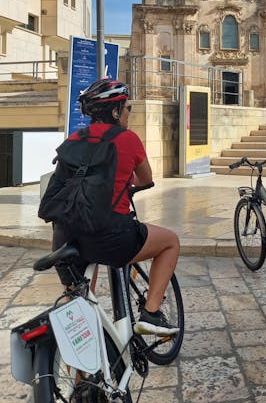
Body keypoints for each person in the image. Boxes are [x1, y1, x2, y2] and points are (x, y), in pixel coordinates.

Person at [53, 78, 180, 336]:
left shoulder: (73, 139)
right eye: (127, 108)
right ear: (115, 111)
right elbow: (146, 179)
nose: (129, 113)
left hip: (64, 237)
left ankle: (77, 368)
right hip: (109, 236)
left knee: (80, 307)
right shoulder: (128, 139)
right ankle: (152, 313)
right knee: (170, 242)